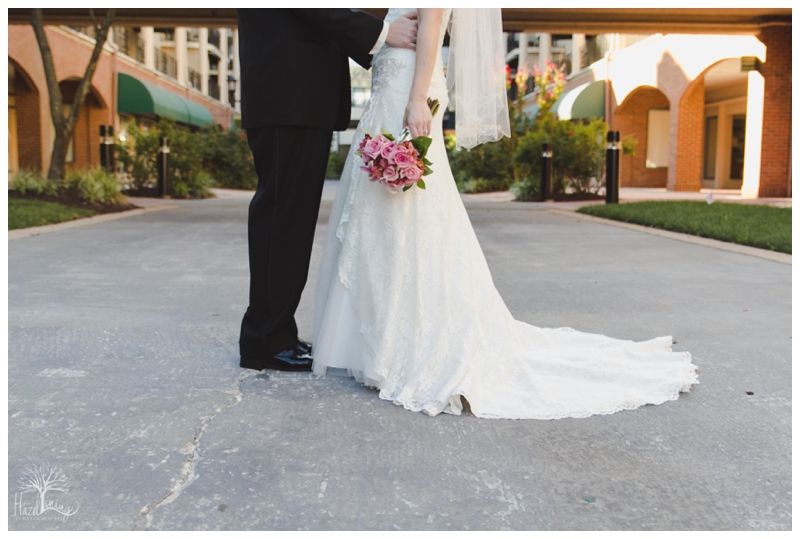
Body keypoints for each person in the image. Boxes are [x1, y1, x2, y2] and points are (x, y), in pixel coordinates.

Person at [312, 8, 699, 419]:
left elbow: (431, 27)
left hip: (409, 87)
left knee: (406, 210)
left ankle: (399, 344)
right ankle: (379, 341)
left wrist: (416, 100)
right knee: (386, 213)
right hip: (391, 87)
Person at [236, 9, 419, 372]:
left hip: (297, 99)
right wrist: (382, 32)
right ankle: (264, 340)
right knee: (282, 219)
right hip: (288, 96)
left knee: (291, 221)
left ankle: (274, 333)